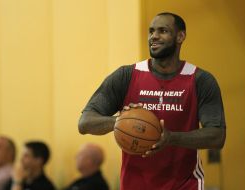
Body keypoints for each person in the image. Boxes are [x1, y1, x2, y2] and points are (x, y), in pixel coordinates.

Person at [78, 12, 226, 190]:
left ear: (180, 36)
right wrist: (121, 121)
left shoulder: (200, 80)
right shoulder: (126, 76)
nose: (154, 36)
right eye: (151, 31)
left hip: (185, 185)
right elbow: (85, 122)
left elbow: (217, 136)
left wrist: (171, 138)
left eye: (163, 31)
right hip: (135, 184)